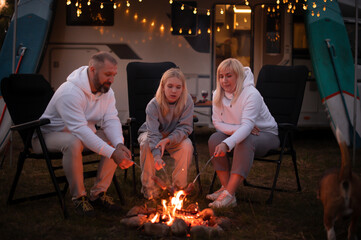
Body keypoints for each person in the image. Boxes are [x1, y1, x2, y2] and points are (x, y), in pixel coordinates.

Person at [31, 51, 133, 216]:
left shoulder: (107, 91)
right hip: (46, 138)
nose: (111, 80)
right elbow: (80, 130)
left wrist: (119, 145)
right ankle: (79, 198)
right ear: (92, 70)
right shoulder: (70, 92)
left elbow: (111, 120)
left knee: (114, 140)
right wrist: (113, 153)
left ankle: (98, 194)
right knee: (73, 142)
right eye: (107, 74)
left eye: (114, 75)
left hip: (79, 134)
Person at [207, 58, 279, 208]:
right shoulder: (217, 94)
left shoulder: (251, 94)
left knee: (245, 140)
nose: (224, 81)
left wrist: (227, 143)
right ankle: (225, 188)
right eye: (221, 76)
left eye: (229, 75)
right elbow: (217, 123)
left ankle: (229, 195)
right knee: (214, 138)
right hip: (240, 130)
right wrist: (237, 129)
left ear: (238, 76)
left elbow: (247, 128)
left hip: (266, 134)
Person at [138, 68, 194, 200]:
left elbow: (185, 128)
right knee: (146, 142)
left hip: (174, 136)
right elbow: (153, 134)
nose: (174, 91)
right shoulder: (153, 105)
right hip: (152, 133)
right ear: (163, 87)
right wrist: (157, 156)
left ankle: (179, 188)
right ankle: (149, 187)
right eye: (170, 86)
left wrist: (167, 140)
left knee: (187, 145)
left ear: (183, 88)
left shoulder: (187, 101)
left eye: (178, 87)